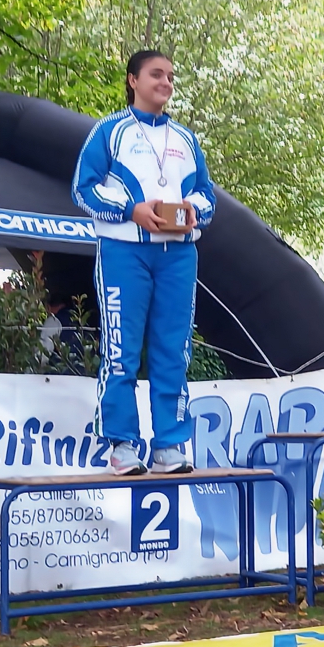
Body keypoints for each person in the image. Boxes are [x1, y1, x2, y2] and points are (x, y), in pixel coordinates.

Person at [72, 49, 215, 475]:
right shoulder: (109, 131)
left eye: (171, 76)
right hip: (125, 252)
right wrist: (131, 209)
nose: (166, 83)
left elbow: (208, 195)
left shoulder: (187, 139)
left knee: (174, 350)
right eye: (157, 74)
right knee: (121, 350)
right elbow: (83, 188)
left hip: (179, 255)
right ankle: (122, 444)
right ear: (133, 80)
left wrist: (192, 209)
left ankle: (169, 445)